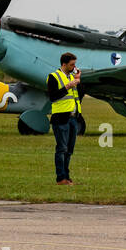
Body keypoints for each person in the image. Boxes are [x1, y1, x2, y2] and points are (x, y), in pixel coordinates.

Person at [46, 52, 82, 185]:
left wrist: (78, 79)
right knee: (62, 149)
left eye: (75, 64)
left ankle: (67, 176)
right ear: (64, 64)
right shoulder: (53, 77)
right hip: (60, 118)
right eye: (72, 64)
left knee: (69, 150)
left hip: (73, 118)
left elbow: (79, 95)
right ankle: (60, 178)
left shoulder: (72, 77)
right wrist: (67, 86)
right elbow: (53, 97)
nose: (74, 67)